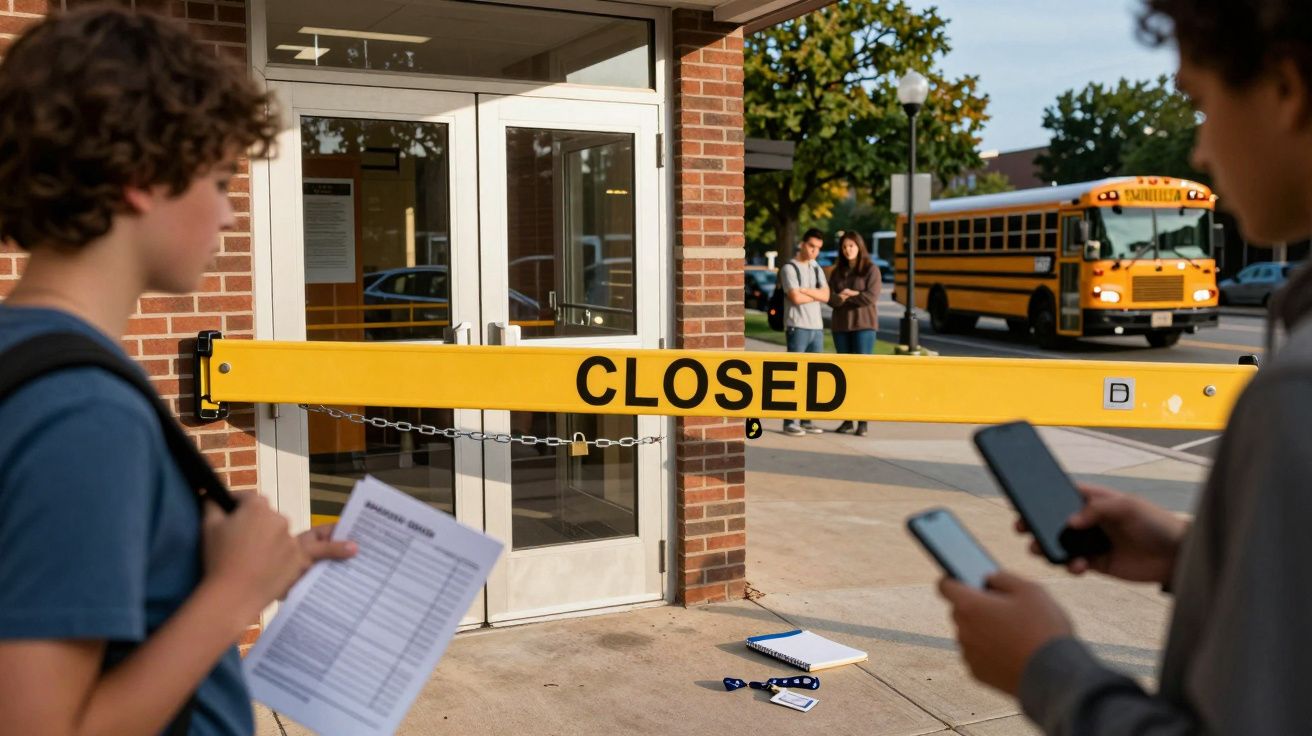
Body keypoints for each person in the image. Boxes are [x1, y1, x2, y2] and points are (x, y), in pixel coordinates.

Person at [936, 0, 1312, 733]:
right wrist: (1190, 556)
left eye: (1201, 106)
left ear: (1287, 88)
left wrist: (1042, 664)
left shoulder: (1296, 396)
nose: (1200, 150)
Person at [0, 8, 356, 735]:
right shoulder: (83, 413)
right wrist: (233, 593)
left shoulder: (24, 355)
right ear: (141, 177)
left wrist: (247, 567)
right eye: (221, 179)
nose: (230, 215)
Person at [827, 231, 881, 436]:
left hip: (864, 327)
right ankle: (848, 420)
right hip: (841, 327)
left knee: (862, 375)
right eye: (844, 247)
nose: (847, 250)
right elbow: (831, 299)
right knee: (845, 376)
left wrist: (849, 296)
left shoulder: (870, 269)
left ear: (859, 246)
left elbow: (871, 297)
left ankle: (863, 422)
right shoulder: (837, 272)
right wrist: (848, 296)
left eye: (851, 246)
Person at [780, 228, 830, 436]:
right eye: (811, 246)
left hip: (816, 328)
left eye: (818, 248)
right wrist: (815, 294)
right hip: (797, 326)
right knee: (794, 376)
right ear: (802, 244)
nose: (814, 251)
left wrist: (807, 291)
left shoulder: (816, 268)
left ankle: (807, 419)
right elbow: (795, 298)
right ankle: (790, 421)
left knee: (813, 377)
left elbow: (827, 296)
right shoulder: (789, 268)